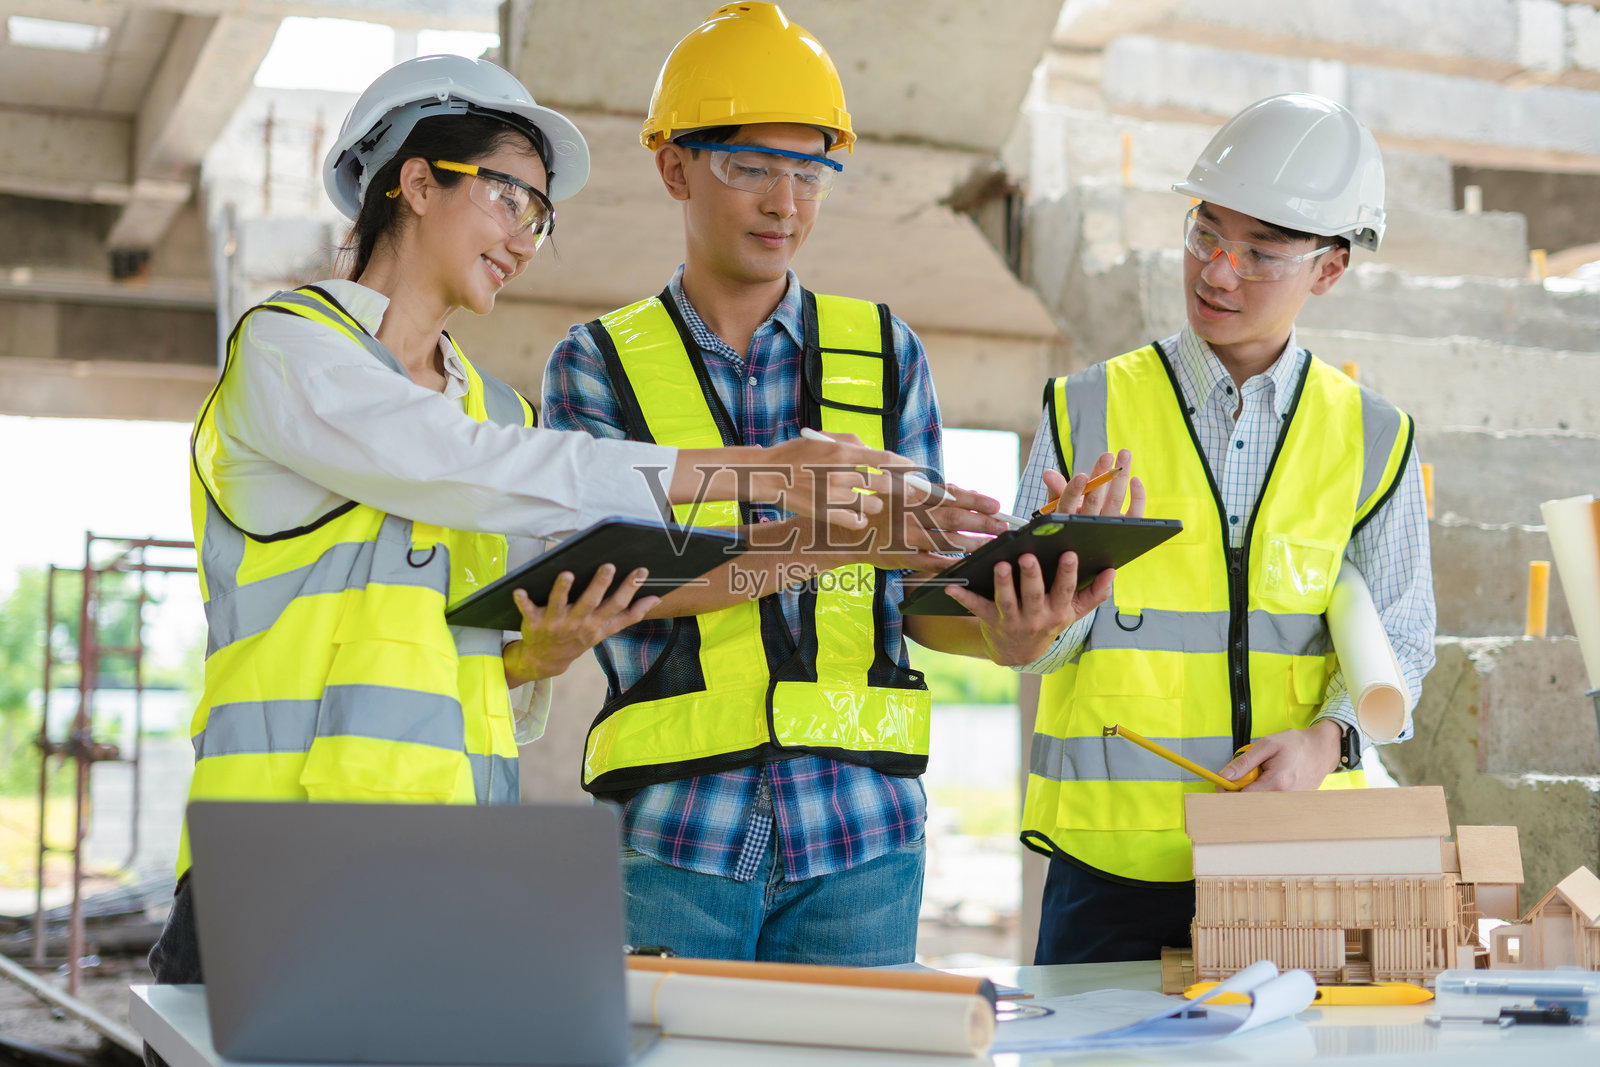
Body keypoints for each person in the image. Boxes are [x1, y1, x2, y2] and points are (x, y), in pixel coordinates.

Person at [146, 52, 930, 992]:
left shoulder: (496, 409)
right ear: (419, 182)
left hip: (451, 858)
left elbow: (461, 644)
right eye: (511, 198)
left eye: (540, 215)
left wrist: (536, 655)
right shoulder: (292, 348)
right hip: (279, 849)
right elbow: (464, 469)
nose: (526, 239)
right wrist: (760, 473)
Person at [542, 2, 1015, 965]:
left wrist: (1017, 629)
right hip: (674, 838)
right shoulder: (595, 366)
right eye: (752, 166)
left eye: (810, 171)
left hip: (864, 839)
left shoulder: (886, 354)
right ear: (675, 164)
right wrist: (837, 540)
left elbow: (917, 592)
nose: (784, 203)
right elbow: (616, 583)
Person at [1017, 93, 1436, 965]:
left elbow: (1399, 638)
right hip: (1113, 869)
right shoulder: (1084, 408)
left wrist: (1327, 742)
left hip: (1297, 855)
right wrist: (1036, 621)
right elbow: (1038, 646)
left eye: (1261, 254)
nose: (1217, 271)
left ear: (1328, 269)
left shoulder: (1375, 438)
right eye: (1205, 234)